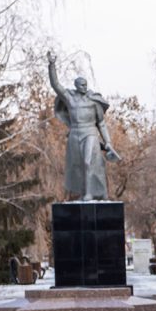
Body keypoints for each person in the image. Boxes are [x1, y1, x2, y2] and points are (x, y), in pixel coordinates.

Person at [47, 51, 120, 200]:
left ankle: (89, 193)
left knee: (88, 161)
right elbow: (56, 85)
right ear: (76, 85)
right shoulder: (69, 98)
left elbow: (101, 123)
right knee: (78, 165)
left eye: (86, 84)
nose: (84, 87)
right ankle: (83, 193)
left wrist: (108, 143)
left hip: (90, 133)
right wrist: (52, 64)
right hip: (75, 134)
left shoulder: (93, 100)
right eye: (81, 85)